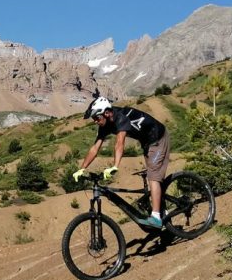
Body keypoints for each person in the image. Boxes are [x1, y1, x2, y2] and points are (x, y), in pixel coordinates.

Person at [73, 96, 171, 228]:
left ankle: (156, 217)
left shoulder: (121, 117)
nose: (95, 121)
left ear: (107, 113)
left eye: (97, 117)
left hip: (158, 138)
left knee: (153, 176)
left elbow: (119, 143)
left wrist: (115, 166)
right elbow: (95, 148)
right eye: (94, 119)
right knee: (153, 177)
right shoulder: (105, 124)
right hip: (147, 143)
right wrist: (82, 168)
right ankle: (162, 211)